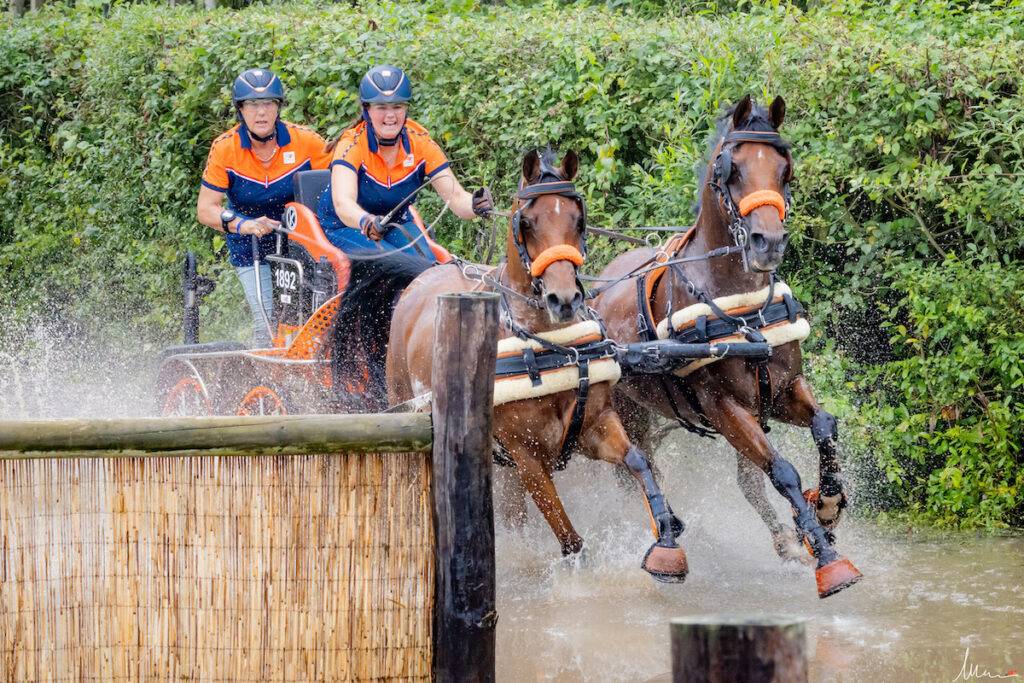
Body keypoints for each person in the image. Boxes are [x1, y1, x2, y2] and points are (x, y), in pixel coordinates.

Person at [196, 68, 332, 347]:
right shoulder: (225, 148)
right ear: (240, 110)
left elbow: (342, 184)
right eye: (252, 105)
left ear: (278, 107)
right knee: (267, 326)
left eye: (268, 104)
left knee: (313, 320)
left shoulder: (306, 142)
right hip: (250, 246)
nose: (261, 113)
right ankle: (261, 384)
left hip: (300, 244)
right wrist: (243, 225)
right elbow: (206, 209)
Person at [316, 64, 493, 260]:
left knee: (426, 267)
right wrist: (365, 221)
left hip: (395, 222)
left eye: (397, 106)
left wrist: (476, 204)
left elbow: (457, 199)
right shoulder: (351, 144)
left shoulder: (421, 142)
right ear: (367, 110)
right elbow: (343, 203)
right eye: (381, 107)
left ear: (406, 109)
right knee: (391, 265)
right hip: (346, 225)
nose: (390, 115)